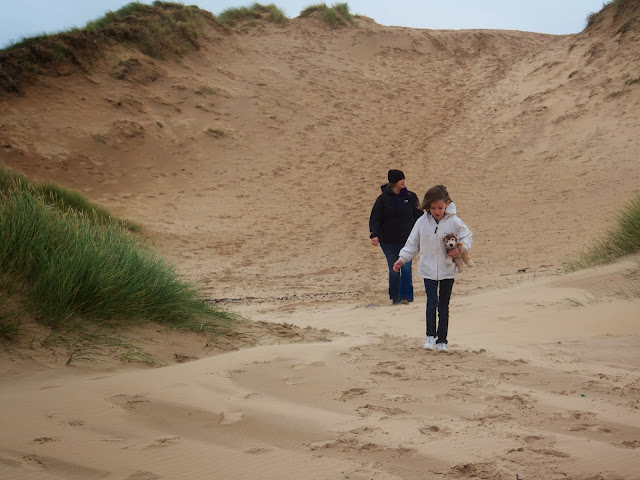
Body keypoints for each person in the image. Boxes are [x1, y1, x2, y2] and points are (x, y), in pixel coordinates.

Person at [393, 185, 472, 352]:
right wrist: (402, 259)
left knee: (444, 305)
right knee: (432, 302)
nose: (437, 211)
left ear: (447, 204)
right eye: (433, 208)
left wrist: (461, 248)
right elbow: (412, 243)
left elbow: (467, 235)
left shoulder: (454, 221)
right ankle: (430, 336)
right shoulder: (422, 222)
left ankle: (442, 340)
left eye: (440, 207)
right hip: (427, 269)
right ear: (428, 206)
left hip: (448, 270)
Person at [369, 169, 423, 305]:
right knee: (394, 268)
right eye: (400, 179)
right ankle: (395, 297)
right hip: (388, 242)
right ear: (393, 182)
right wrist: (374, 235)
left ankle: (406, 297)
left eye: (403, 178)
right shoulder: (382, 200)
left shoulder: (410, 197)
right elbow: (375, 218)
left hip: (407, 240)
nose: (403, 181)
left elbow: (420, 216)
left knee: (405, 267)